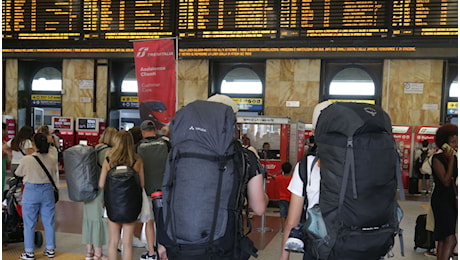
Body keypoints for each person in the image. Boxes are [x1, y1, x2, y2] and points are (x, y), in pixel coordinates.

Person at [280, 101, 331, 260]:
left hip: (317, 246)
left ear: (315, 131)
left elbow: (292, 221)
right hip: (353, 246)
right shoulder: (359, 163)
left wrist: (284, 256)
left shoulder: (307, 165)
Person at [98, 130, 145, 260]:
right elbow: (141, 184)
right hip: (130, 204)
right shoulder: (137, 160)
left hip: (112, 204)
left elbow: (101, 184)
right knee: (127, 243)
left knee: (113, 242)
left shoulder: (109, 159)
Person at [15, 133, 59, 260]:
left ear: (33, 144)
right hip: (47, 192)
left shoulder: (27, 159)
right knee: (49, 222)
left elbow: (18, 173)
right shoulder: (52, 158)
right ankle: (50, 249)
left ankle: (29, 252)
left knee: (29, 223)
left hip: (31, 192)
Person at [82, 127, 117, 260]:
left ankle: (89, 252)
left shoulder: (94, 149)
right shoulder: (108, 152)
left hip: (88, 190)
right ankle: (98, 254)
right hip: (100, 191)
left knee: (89, 221)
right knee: (98, 221)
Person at [136, 120, 170, 260]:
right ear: (155, 130)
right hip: (165, 189)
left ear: (143, 132)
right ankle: (165, 250)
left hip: (147, 190)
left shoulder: (138, 146)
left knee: (149, 221)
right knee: (165, 220)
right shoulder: (166, 144)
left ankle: (151, 252)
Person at [430, 123, 457, 260]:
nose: (455, 145)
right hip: (441, 201)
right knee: (451, 239)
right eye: (452, 142)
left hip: (452, 200)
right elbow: (446, 181)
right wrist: (451, 159)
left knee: (443, 239)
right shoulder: (437, 158)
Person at [273, 162, 293, 231]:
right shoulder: (292, 179)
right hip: (290, 199)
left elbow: (273, 177)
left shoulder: (279, 178)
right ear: (291, 170)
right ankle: (288, 228)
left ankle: (283, 228)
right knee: (289, 214)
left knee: (282, 214)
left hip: (282, 199)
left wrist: (268, 174)